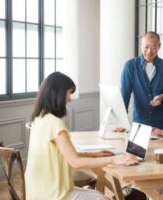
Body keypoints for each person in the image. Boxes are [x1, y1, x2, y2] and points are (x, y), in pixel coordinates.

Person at [25, 72, 138, 200]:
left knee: (101, 197)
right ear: (58, 94)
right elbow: (75, 163)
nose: (69, 99)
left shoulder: (39, 118)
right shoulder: (55, 124)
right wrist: (114, 159)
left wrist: (94, 154)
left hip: (38, 191)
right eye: (68, 93)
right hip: (53, 195)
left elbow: (67, 155)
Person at [120, 31, 163, 129]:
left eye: (154, 47)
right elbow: (124, 95)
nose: (149, 51)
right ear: (141, 45)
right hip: (140, 123)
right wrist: (121, 122)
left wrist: (162, 97)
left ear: (159, 46)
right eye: (146, 47)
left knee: (162, 145)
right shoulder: (130, 66)